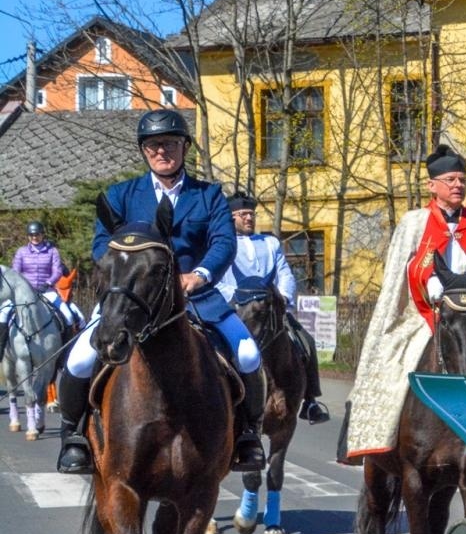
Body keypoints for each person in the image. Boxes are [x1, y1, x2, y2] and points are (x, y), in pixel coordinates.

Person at [55, 109, 267, 475]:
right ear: (144, 151)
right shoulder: (121, 196)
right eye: (153, 145)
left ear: (184, 147)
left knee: (247, 354)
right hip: (132, 298)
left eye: (169, 143)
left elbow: (223, 242)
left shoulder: (209, 196)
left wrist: (198, 275)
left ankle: (248, 435)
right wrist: (124, 272)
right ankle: (73, 437)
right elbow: (101, 245)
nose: (161, 151)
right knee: (78, 360)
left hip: (196, 297)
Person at [341, 144, 466, 461]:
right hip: (426, 313)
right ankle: (378, 436)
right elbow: (402, 273)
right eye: (451, 180)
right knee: (393, 364)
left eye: (462, 180)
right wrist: (431, 284)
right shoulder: (414, 222)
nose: (458, 185)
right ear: (432, 185)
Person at [216, 192, 330, 424]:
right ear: (232, 218)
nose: (249, 219)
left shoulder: (270, 243)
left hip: (271, 309)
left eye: (251, 214)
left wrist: (284, 297)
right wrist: (236, 299)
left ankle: (310, 401)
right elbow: (218, 280)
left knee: (305, 341)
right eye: (243, 215)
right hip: (239, 311)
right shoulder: (223, 245)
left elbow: (284, 273)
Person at [12, 221, 65, 295]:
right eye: (31, 235)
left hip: (47, 291)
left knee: (64, 307)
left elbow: (57, 272)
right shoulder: (21, 251)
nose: (34, 237)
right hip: (25, 292)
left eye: (37, 234)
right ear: (28, 236)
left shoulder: (53, 251)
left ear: (42, 234)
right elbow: (15, 271)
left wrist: (48, 284)